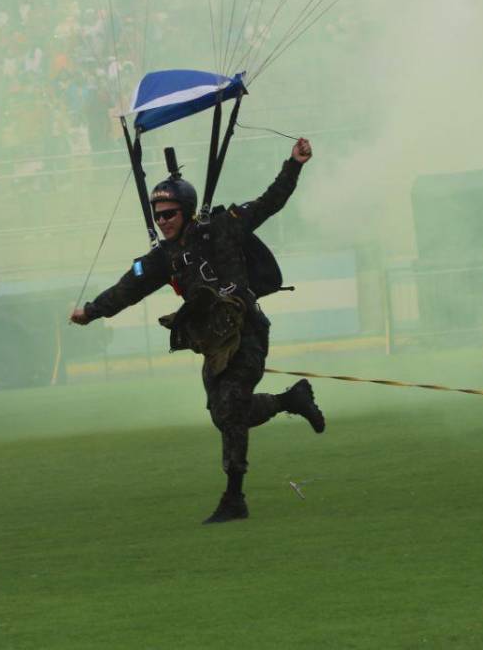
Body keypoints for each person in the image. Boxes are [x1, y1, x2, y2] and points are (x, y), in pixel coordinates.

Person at [70, 137, 324, 525]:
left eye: (169, 214)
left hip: (248, 333)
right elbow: (129, 287)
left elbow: (269, 202)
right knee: (225, 415)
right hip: (215, 344)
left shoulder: (222, 228)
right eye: (157, 216)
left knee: (230, 408)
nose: (163, 221)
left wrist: (294, 164)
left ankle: (234, 498)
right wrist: (91, 311)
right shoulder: (163, 258)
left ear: (186, 211)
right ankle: (291, 399)